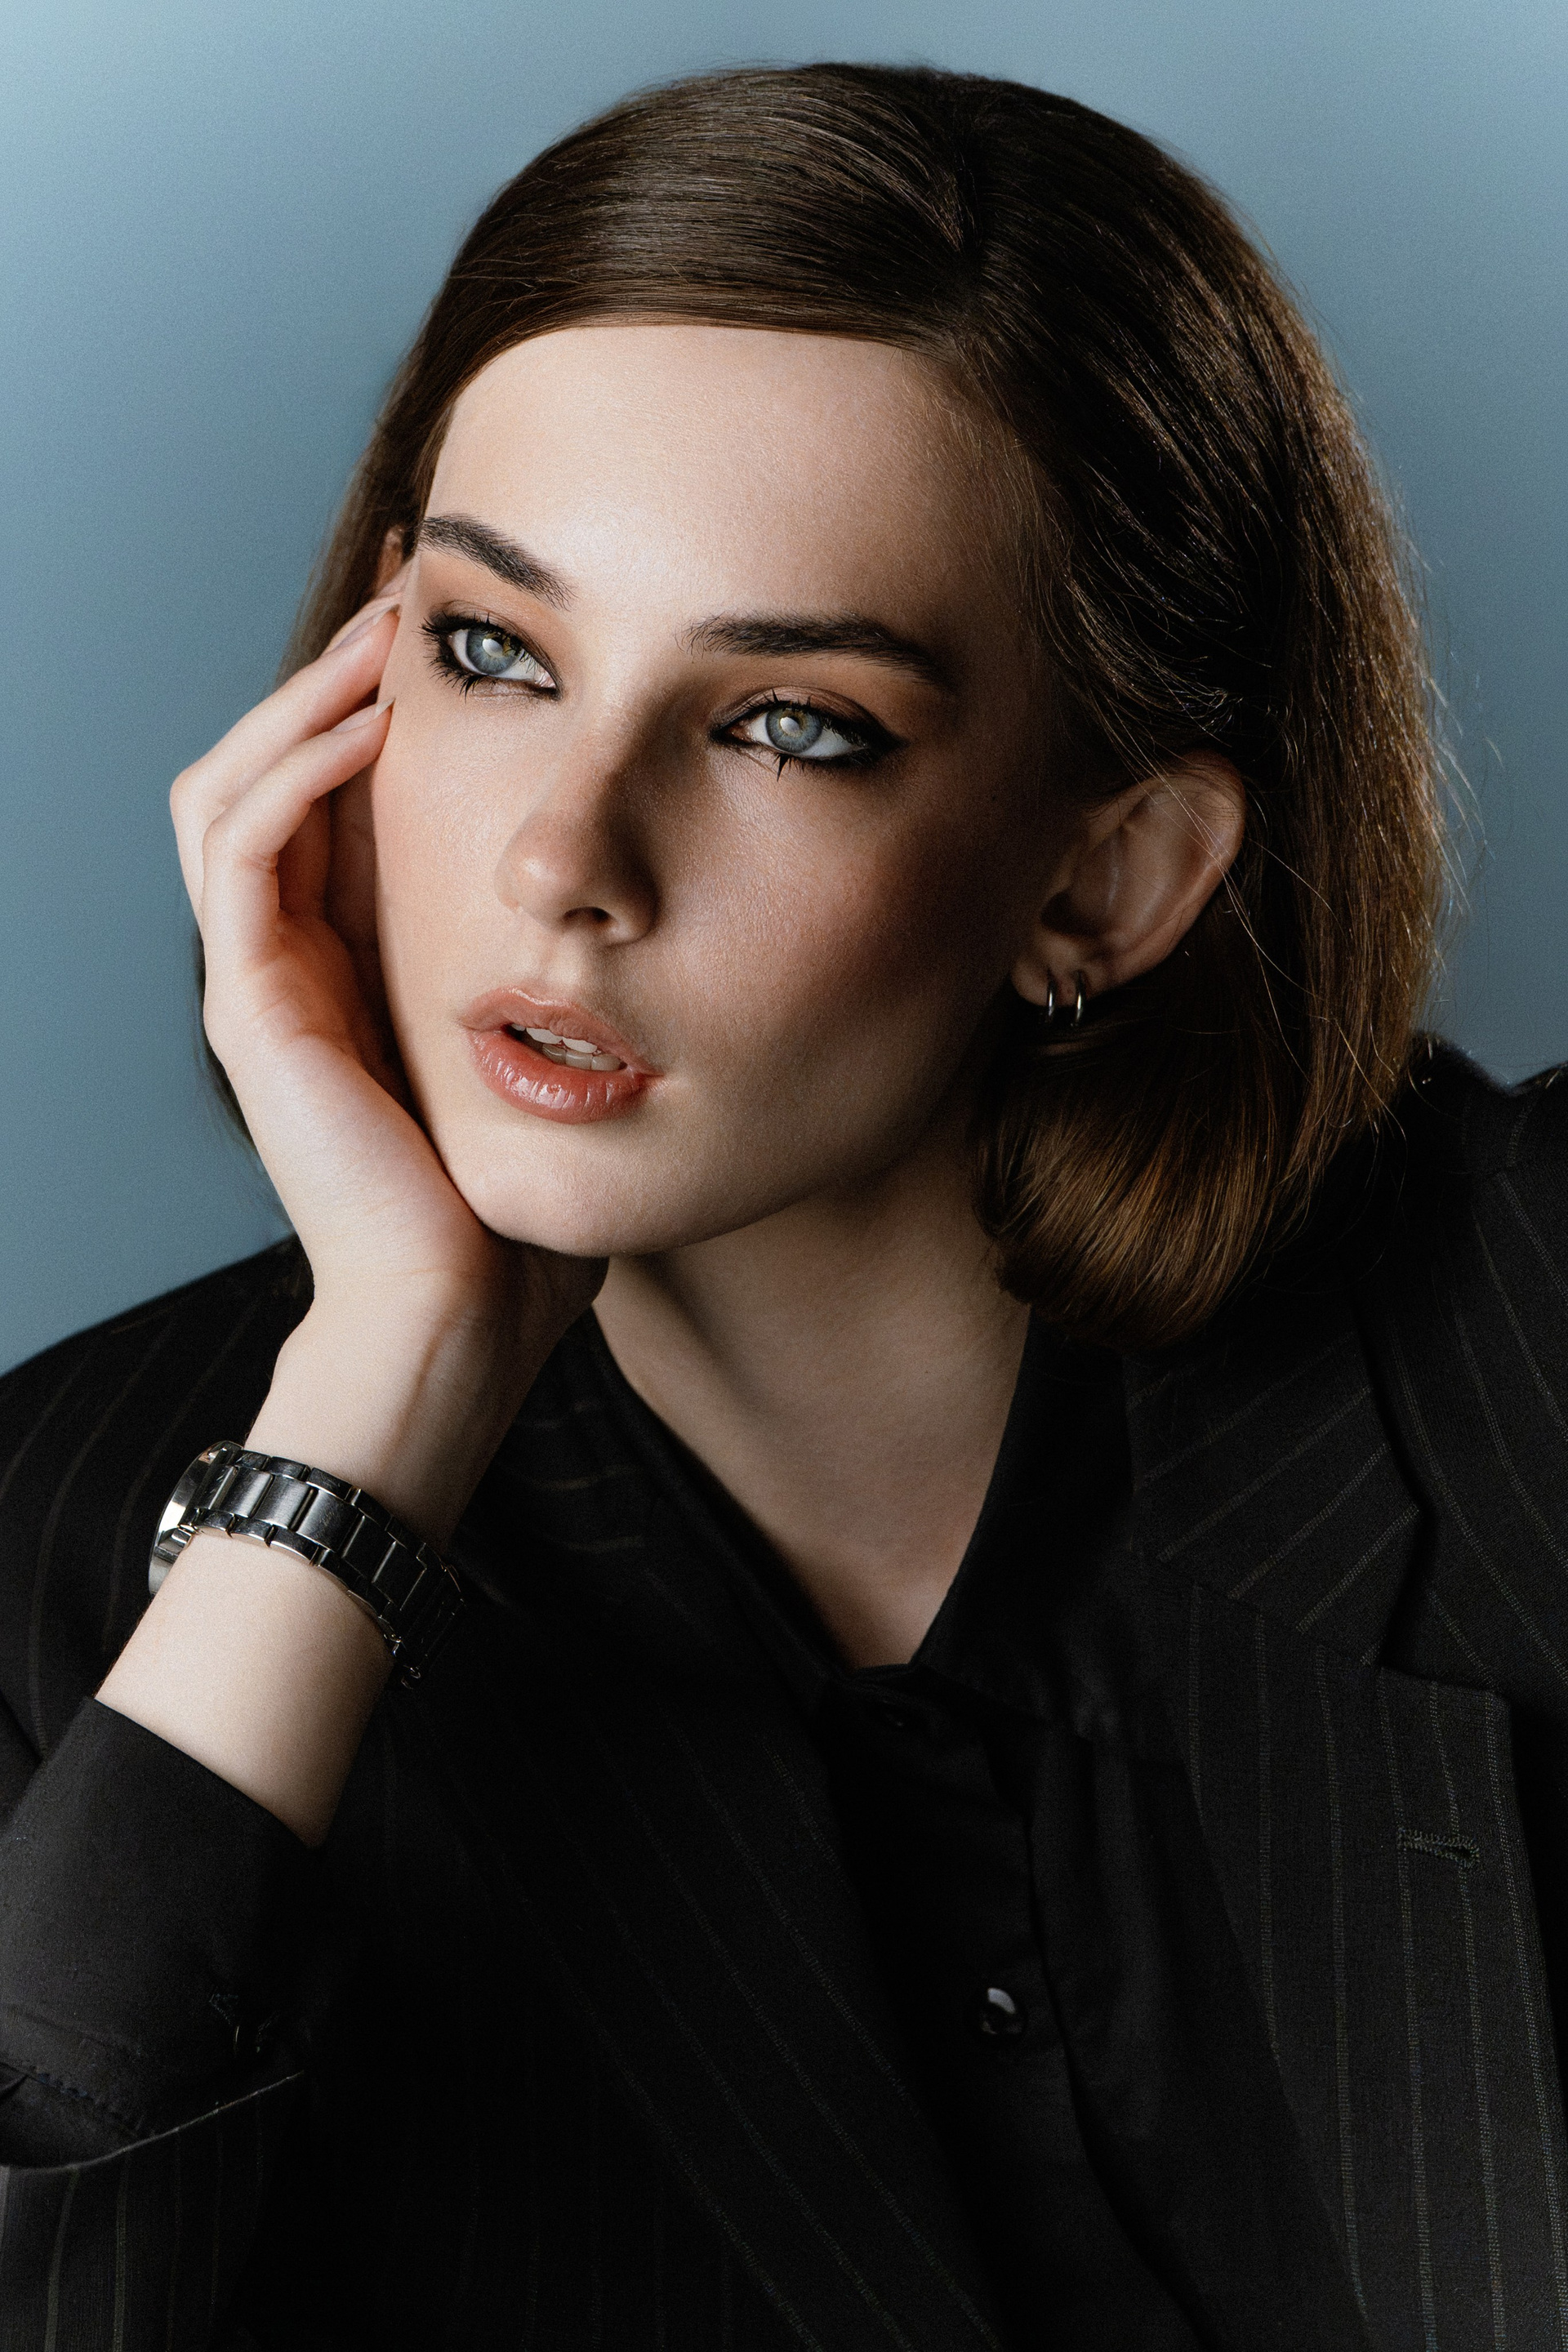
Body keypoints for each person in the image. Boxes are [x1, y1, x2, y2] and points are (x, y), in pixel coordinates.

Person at [0, 59, 1561, 2352]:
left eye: (791, 725)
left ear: (1109, 877)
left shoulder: (1518, 1327)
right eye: (492, 651)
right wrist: (369, 1417)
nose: (565, 860)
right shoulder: (64, 1565)